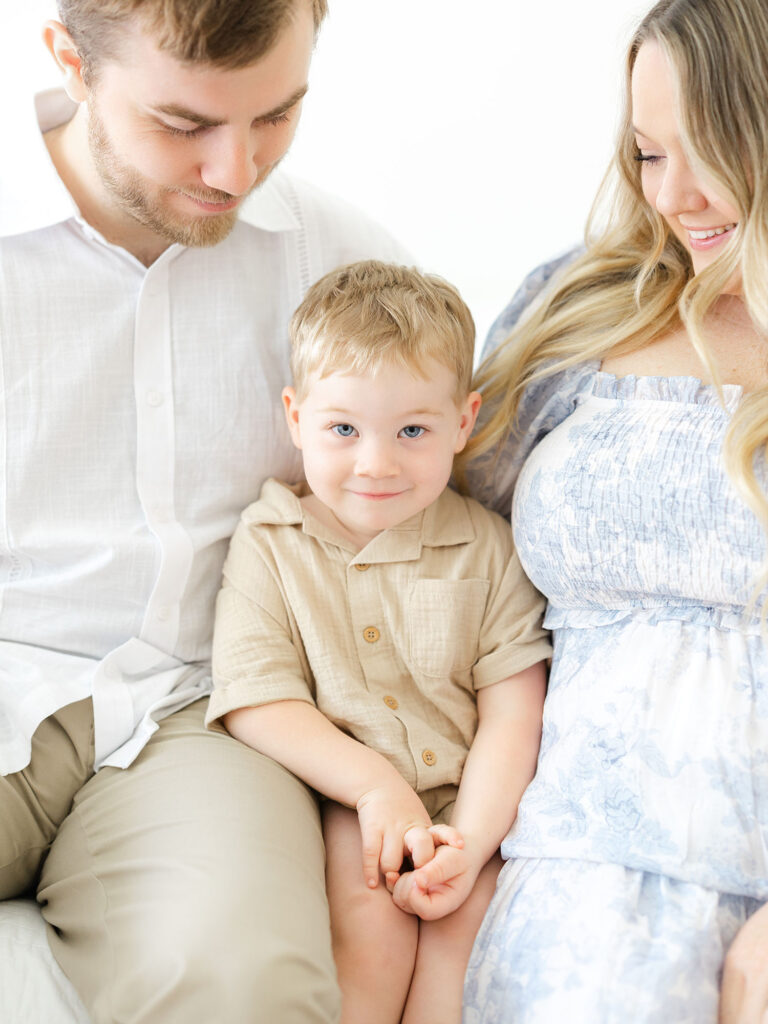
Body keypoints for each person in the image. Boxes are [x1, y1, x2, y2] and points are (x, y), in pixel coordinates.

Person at [0, 2, 412, 1021]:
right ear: (72, 63)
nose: (235, 170)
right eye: (184, 124)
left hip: (204, 711)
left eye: (276, 115)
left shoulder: (344, 265)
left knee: (242, 988)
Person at [456, 0, 768, 1021]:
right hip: (573, 872)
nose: (673, 195)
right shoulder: (577, 305)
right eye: (647, 152)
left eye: (708, 151)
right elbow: (441, 546)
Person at [205, 260, 551, 1024]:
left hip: (473, 801)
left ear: (463, 422)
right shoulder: (271, 540)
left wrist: (468, 841)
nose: (376, 463)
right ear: (296, 417)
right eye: (343, 430)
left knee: (467, 932)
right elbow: (256, 697)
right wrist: (372, 787)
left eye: (413, 431)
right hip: (346, 795)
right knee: (368, 931)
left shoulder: (489, 547)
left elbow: (515, 711)